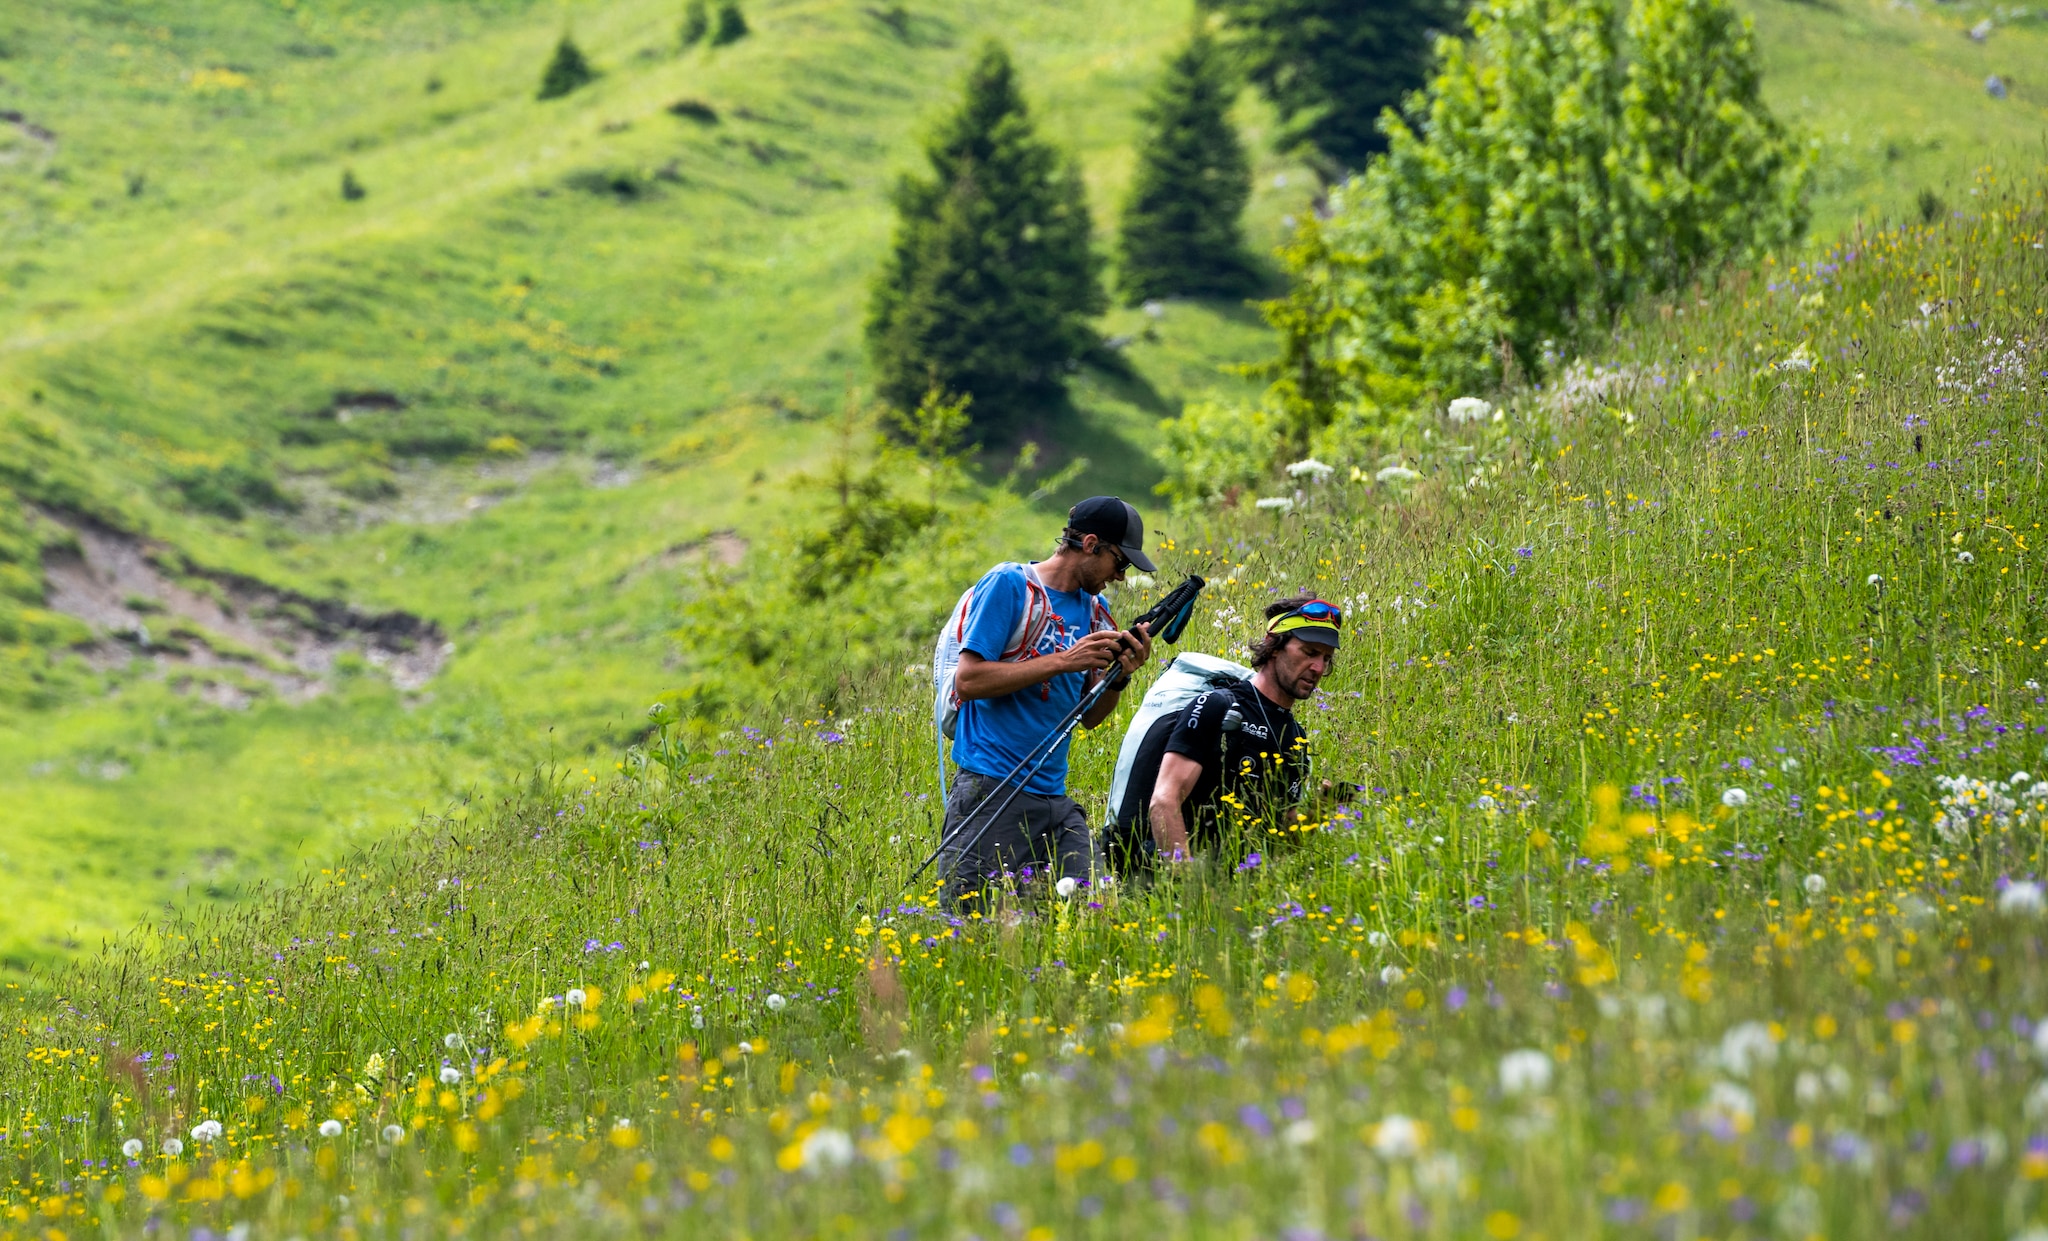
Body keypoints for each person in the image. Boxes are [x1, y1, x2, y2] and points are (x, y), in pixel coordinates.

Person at [937, 496, 1158, 907]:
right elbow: (968, 680)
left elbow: (1089, 717)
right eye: (1120, 562)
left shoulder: (1095, 610)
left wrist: (1121, 677)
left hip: (1053, 798)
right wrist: (1063, 661)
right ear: (1090, 544)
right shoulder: (1010, 586)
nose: (1122, 577)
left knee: (1096, 911)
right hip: (992, 787)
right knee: (970, 927)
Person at [1104, 596, 1339, 874]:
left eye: (1325, 658)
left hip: (1233, 895)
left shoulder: (1294, 737)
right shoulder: (1218, 705)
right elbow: (1164, 800)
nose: (1318, 668)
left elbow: (1282, 840)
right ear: (1275, 646)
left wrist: (1322, 810)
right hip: (1169, 881)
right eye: (1309, 652)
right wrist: (1186, 883)